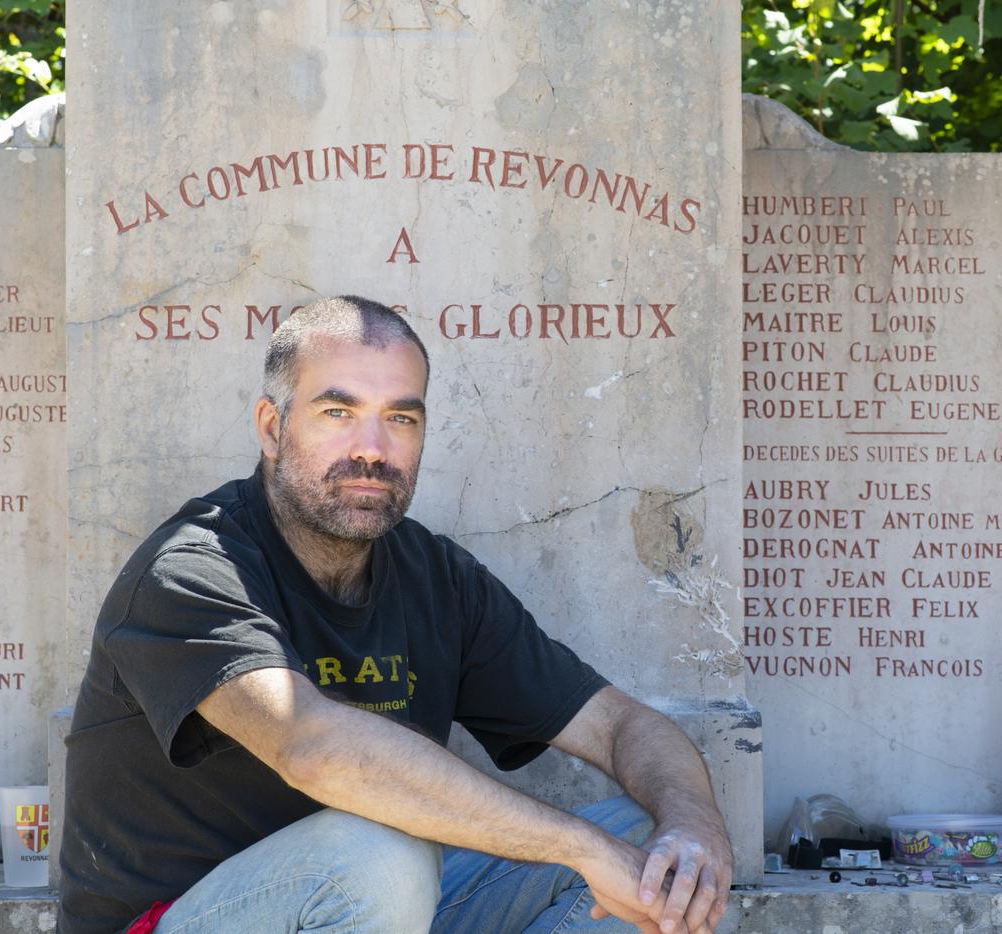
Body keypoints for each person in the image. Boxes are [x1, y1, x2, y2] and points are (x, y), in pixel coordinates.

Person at [58, 295, 733, 934]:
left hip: (374, 906)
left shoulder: (435, 578)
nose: (373, 449)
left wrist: (695, 823)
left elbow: (621, 725)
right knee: (377, 849)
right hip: (184, 918)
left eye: (401, 419)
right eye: (337, 413)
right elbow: (313, 748)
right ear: (272, 427)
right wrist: (575, 846)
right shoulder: (193, 568)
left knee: (657, 855)